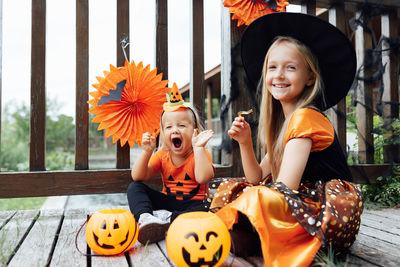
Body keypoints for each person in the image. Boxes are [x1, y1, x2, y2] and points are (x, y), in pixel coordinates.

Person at [210, 13, 364, 266]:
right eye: (273, 67)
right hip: (301, 206)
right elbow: (255, 177)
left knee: (257, 196)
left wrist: (251, 198)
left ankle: (248, 236)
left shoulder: (306, 117)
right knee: (235, 186)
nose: (279, 75)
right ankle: (247, 235)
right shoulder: (285, 124)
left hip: (329, 215)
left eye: (290, 67)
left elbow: (284, 189)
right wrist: (246, 143)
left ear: (310, 77)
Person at [127, 83, 215, 244]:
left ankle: (166, 219)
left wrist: (199, 148)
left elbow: (204, 178)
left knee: (211, 207)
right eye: (169, 127)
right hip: (168, 201)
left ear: (194, 131)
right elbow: (137, 176)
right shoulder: (162, 155)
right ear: (163, 132)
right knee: (135, 187)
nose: (175, 130)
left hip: (194, 204)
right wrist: (147, 152)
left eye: (182, 125)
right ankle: (146, 218)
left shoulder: (200, 154)